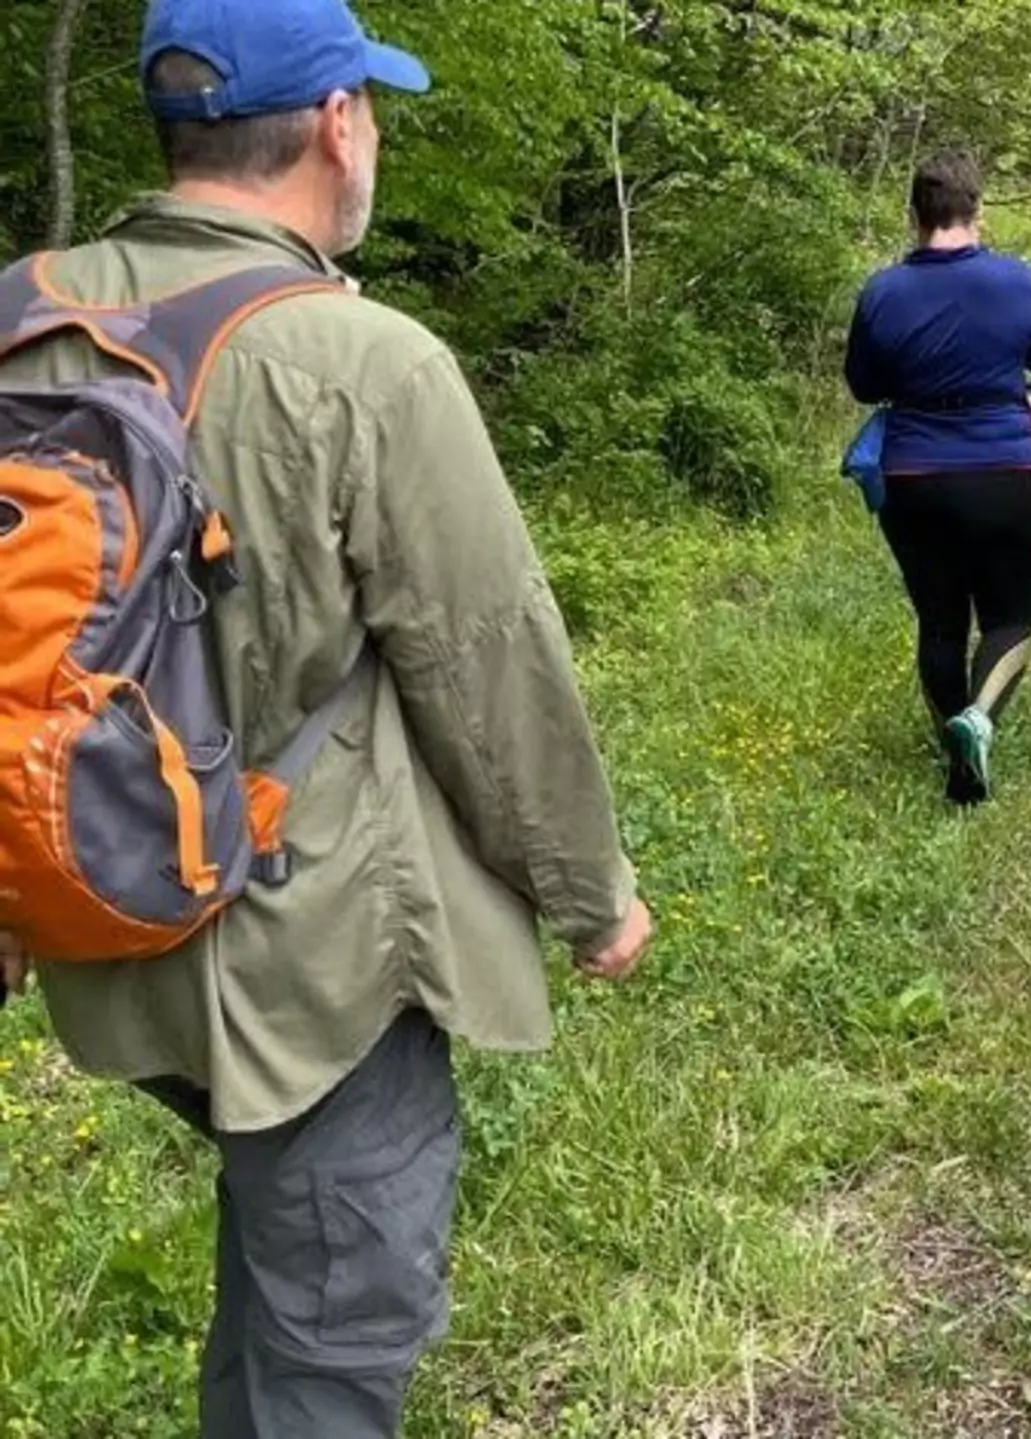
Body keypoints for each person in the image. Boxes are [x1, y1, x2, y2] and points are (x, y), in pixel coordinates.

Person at [0, 1, 652, 1433]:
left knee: (277, 1268)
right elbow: (491, 662)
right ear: (339, 124)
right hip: (312, 944)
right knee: (341, 1323)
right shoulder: (366, 362)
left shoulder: (24, 312)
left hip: (88, 899)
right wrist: (591, 894)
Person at [844, 150, 1031, 805]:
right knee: (1010, 619)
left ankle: (959, 764)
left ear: (915, 214)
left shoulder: (881, 290)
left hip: (912, 475)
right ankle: (978, 722)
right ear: (978, 210)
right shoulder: (1015, 279)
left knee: (940, 623)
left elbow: (864, 384)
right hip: (1001, 468)